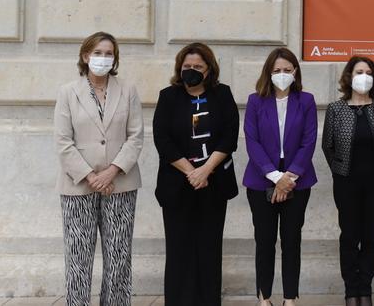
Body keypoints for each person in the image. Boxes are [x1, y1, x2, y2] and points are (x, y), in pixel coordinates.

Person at [54, 32, 143, 306]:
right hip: (78, 185)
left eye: (109, 54)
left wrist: (112, 171)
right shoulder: (68, 92)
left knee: (118, 256)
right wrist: (92, 176)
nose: (103, 58)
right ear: (85, 56)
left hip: (120, 184)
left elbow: (136, 135)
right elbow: (63, 141)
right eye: (98, 53)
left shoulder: (127, 90)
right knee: (79, 258)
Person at [153, 42, 239, 305]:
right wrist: (191, 171)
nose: (191, 70)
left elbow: (229, 136)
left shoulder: (222, 94)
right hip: (177, 185)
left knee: (208, 248)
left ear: (209, 69)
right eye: (187, 66)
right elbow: (162, 139)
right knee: (179, 248)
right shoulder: (168, 96)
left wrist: (206, 170)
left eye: (198, 66)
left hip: (213, 186)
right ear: (180, 68)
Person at [243, 47, 318, 306]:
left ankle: (290, 298)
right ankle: (264, 297)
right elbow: (251, 141)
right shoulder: (255, 101)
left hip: (298, 179)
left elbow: (309, 142)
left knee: (291, 240)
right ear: (268, 73)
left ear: (295, 72)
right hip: (261, 178)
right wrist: (276, 177)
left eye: (287, 70)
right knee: (264, 241)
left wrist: (290, 177)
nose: (282, 74)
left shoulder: (306, 100)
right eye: (277, 70)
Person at [324, 55, 374, 306]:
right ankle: (351, 290)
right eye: (358, 72)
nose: (363, 76)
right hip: (346, 182)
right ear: (348, 77)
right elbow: (327, 146)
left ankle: (365, 288)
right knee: (350, 235)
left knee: (371, 236)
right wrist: (340, 172)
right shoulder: (336, 108)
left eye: (368, 72)